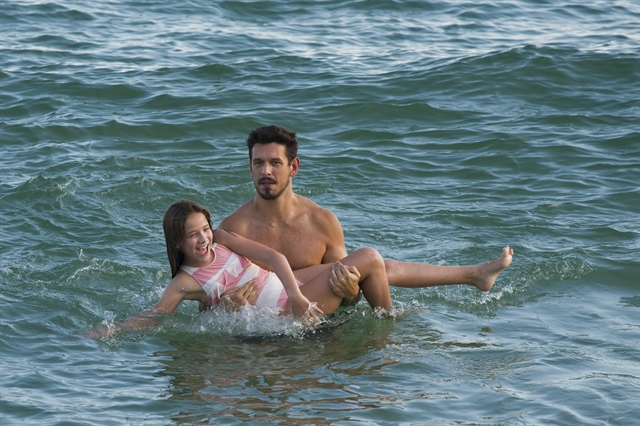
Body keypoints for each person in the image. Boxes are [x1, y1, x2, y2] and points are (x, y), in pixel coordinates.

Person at [217, 125, 514, 307]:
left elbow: (348, 291)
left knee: (373, 266)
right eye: (258, 163)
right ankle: (471, 277)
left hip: (319, 325)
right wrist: (223, 306)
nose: (265, 171)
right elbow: (209, 297)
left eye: (274, 163)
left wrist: (351, 295)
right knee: (377, 263)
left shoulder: (321, 222)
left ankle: (474, 275)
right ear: (250, 168)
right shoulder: (234, 229)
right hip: (265, 332)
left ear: (293, 167)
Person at [90, 199, 395, 336]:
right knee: (368, 257)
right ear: (178, 244)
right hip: (283, 317)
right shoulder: (184, 283)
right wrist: (113, 329)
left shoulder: (223, 239)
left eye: (205, 229)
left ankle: (385, 319)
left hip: (295, 298)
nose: (204, 239)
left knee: (370, 261)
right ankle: (387, 327)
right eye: (192, 235)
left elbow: (276, 259)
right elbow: (154, 316)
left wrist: (299, 298)